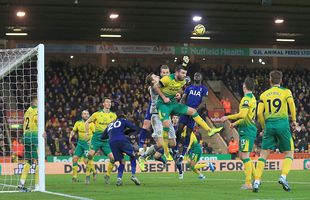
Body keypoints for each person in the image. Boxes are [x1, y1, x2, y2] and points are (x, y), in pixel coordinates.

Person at [148, 56, 223, 157]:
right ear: (176, 73)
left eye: (185, 74)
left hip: (173, 104)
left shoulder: (183, 80)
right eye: (183, 73)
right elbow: (156, 86)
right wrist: (164, 97)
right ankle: (166, 152)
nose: (185, 75)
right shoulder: (167, 79)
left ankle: (209, 130)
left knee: (192, 111)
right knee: (166, 124)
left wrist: (179, 93)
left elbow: (179, 80)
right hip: (163, 105)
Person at [253, 70, 297, 192]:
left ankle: (256, 181)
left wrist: (264, 126)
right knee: (289, 153)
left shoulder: (264, 95)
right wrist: (294, 119)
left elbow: (259, 113)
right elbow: (291, 104)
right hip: (283, 124)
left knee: (263, 155)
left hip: (269, 125)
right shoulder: (286, 92)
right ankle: (283, 177)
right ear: (281, 80)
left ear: (270, 80)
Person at [221, 77, 257, 190]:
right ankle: (256, 178)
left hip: (247, 129)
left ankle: (248, 183)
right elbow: (246, 116)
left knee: (245, 156)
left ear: (244, 86)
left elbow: (242, 114)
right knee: (242, 156)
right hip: (245, 128)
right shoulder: (252, 98)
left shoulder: (246, 99)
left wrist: (227, 117)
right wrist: (235, 123)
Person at [176, 72, 209, 164]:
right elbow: (183, 98)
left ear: (201, 78)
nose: (196, 76)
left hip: (194, 114)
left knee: (189, 133)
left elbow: (203, 102)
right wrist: (183, 107)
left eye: (198, 75)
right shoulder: (189, 87)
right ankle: (175, 149)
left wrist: (194, 110)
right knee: (179, 129)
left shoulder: (204, 89)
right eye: (195, 75)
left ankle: (182, 155)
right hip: (185, 111)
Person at [101, 115, 141, 186]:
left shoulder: (110, 124)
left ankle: (119, 179)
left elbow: (102, 137)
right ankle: (133, 175)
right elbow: (134, 128)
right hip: (121, 140)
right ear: (123, 118)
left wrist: (112, 134)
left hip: (112, 142)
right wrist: (126, 132)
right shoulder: (123, 120)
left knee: (122, 161)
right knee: (132, 155)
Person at [85, 97, 117, 184]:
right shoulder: (96, 114)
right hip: (97, 138)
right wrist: (87, 133)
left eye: (110, 102)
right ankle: (88, 175)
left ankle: (107, 175)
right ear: (103, 104)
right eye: (107, 102)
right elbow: (87, 122)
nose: (109, 103)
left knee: (113, 158)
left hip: (107, 139)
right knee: (90, 155)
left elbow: (115, 127)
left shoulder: (114, 115)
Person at [69, 110, 96, 184]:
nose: (86, 115)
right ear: (82, 115)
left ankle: (92, 172)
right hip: (80, 143)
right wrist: (71, 136)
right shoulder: (78, 123)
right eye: (84, 114)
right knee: (74, 159)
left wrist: (91, 140)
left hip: (88, 144)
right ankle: (74, 177)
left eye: (87, 114)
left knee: (86, 161)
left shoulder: (91, 124)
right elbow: (74, 131)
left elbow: (95, 134)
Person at [18, 98, 38, 192]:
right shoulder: (35, 110)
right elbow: (37, 121)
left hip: (25, 137)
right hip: (33, 136)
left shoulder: (27, 111)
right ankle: (38, 185)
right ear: (35, 102)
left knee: (29, 161)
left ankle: (21, 184)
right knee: (38, 161)